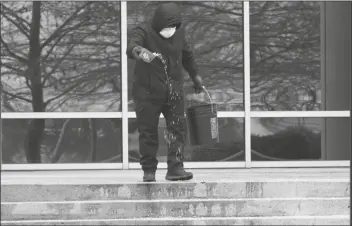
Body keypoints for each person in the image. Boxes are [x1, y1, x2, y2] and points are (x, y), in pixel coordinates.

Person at [126, 2, 204, 182]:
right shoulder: (144, 31)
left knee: (177, 129)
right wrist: (136, 50)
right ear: (159, 23)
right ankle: (149, 170)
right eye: (167, 26)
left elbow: (187, 55)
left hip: (173, 91)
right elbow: (133, 45)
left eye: (173, 27)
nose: (170, 30)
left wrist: (195, 75)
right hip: (147, 92)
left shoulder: (178, 34)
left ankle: (175, 168)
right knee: (148, 132)